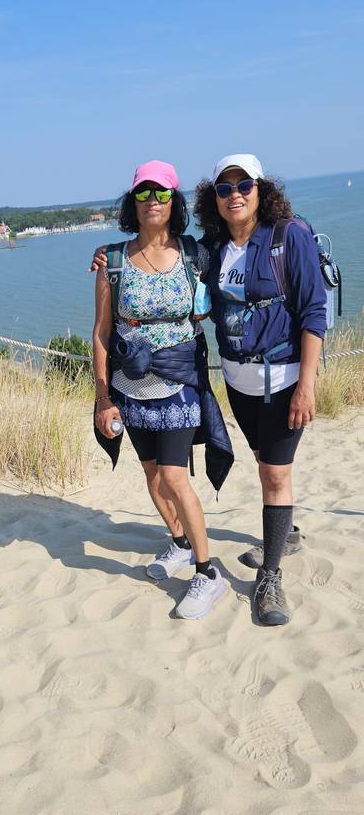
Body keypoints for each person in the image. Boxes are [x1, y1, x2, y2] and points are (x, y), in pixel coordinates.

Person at [92, 159, 233, 620]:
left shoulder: (196, 254)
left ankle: (207, 571)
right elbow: (100, 332)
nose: (152, 200)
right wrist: (103, 398)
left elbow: (242, 253)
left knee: (175, 476)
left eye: (162, 192)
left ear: (175, 202)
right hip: (130, 389)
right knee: (152, 477)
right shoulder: (112, 259)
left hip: (181, 382)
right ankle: (176, 542)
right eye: (143, 192)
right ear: (132, 201)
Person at [193, 154, 327, 626]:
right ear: (214, 198)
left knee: (274, 475)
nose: (235, 195)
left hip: (285, 382)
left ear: (260, 189)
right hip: (237, 383)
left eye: (244, 185)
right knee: (266, 464)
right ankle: (285, 532)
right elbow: (166, 255)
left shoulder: (288, 237)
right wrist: (109, 254)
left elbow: (313, 312)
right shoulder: (212, 247)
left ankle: (270, 577)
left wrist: (306, 386)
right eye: (224, 188)